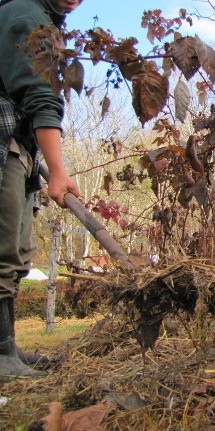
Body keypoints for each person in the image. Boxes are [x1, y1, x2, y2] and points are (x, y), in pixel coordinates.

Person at [0, 0, 82, 381]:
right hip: (5, 145)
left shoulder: (35, 16)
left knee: (16, 252)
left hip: (19, 146)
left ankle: (6, 347)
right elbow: (40, 96)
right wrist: (59, 172)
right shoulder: (26, 16)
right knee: (2, 251)